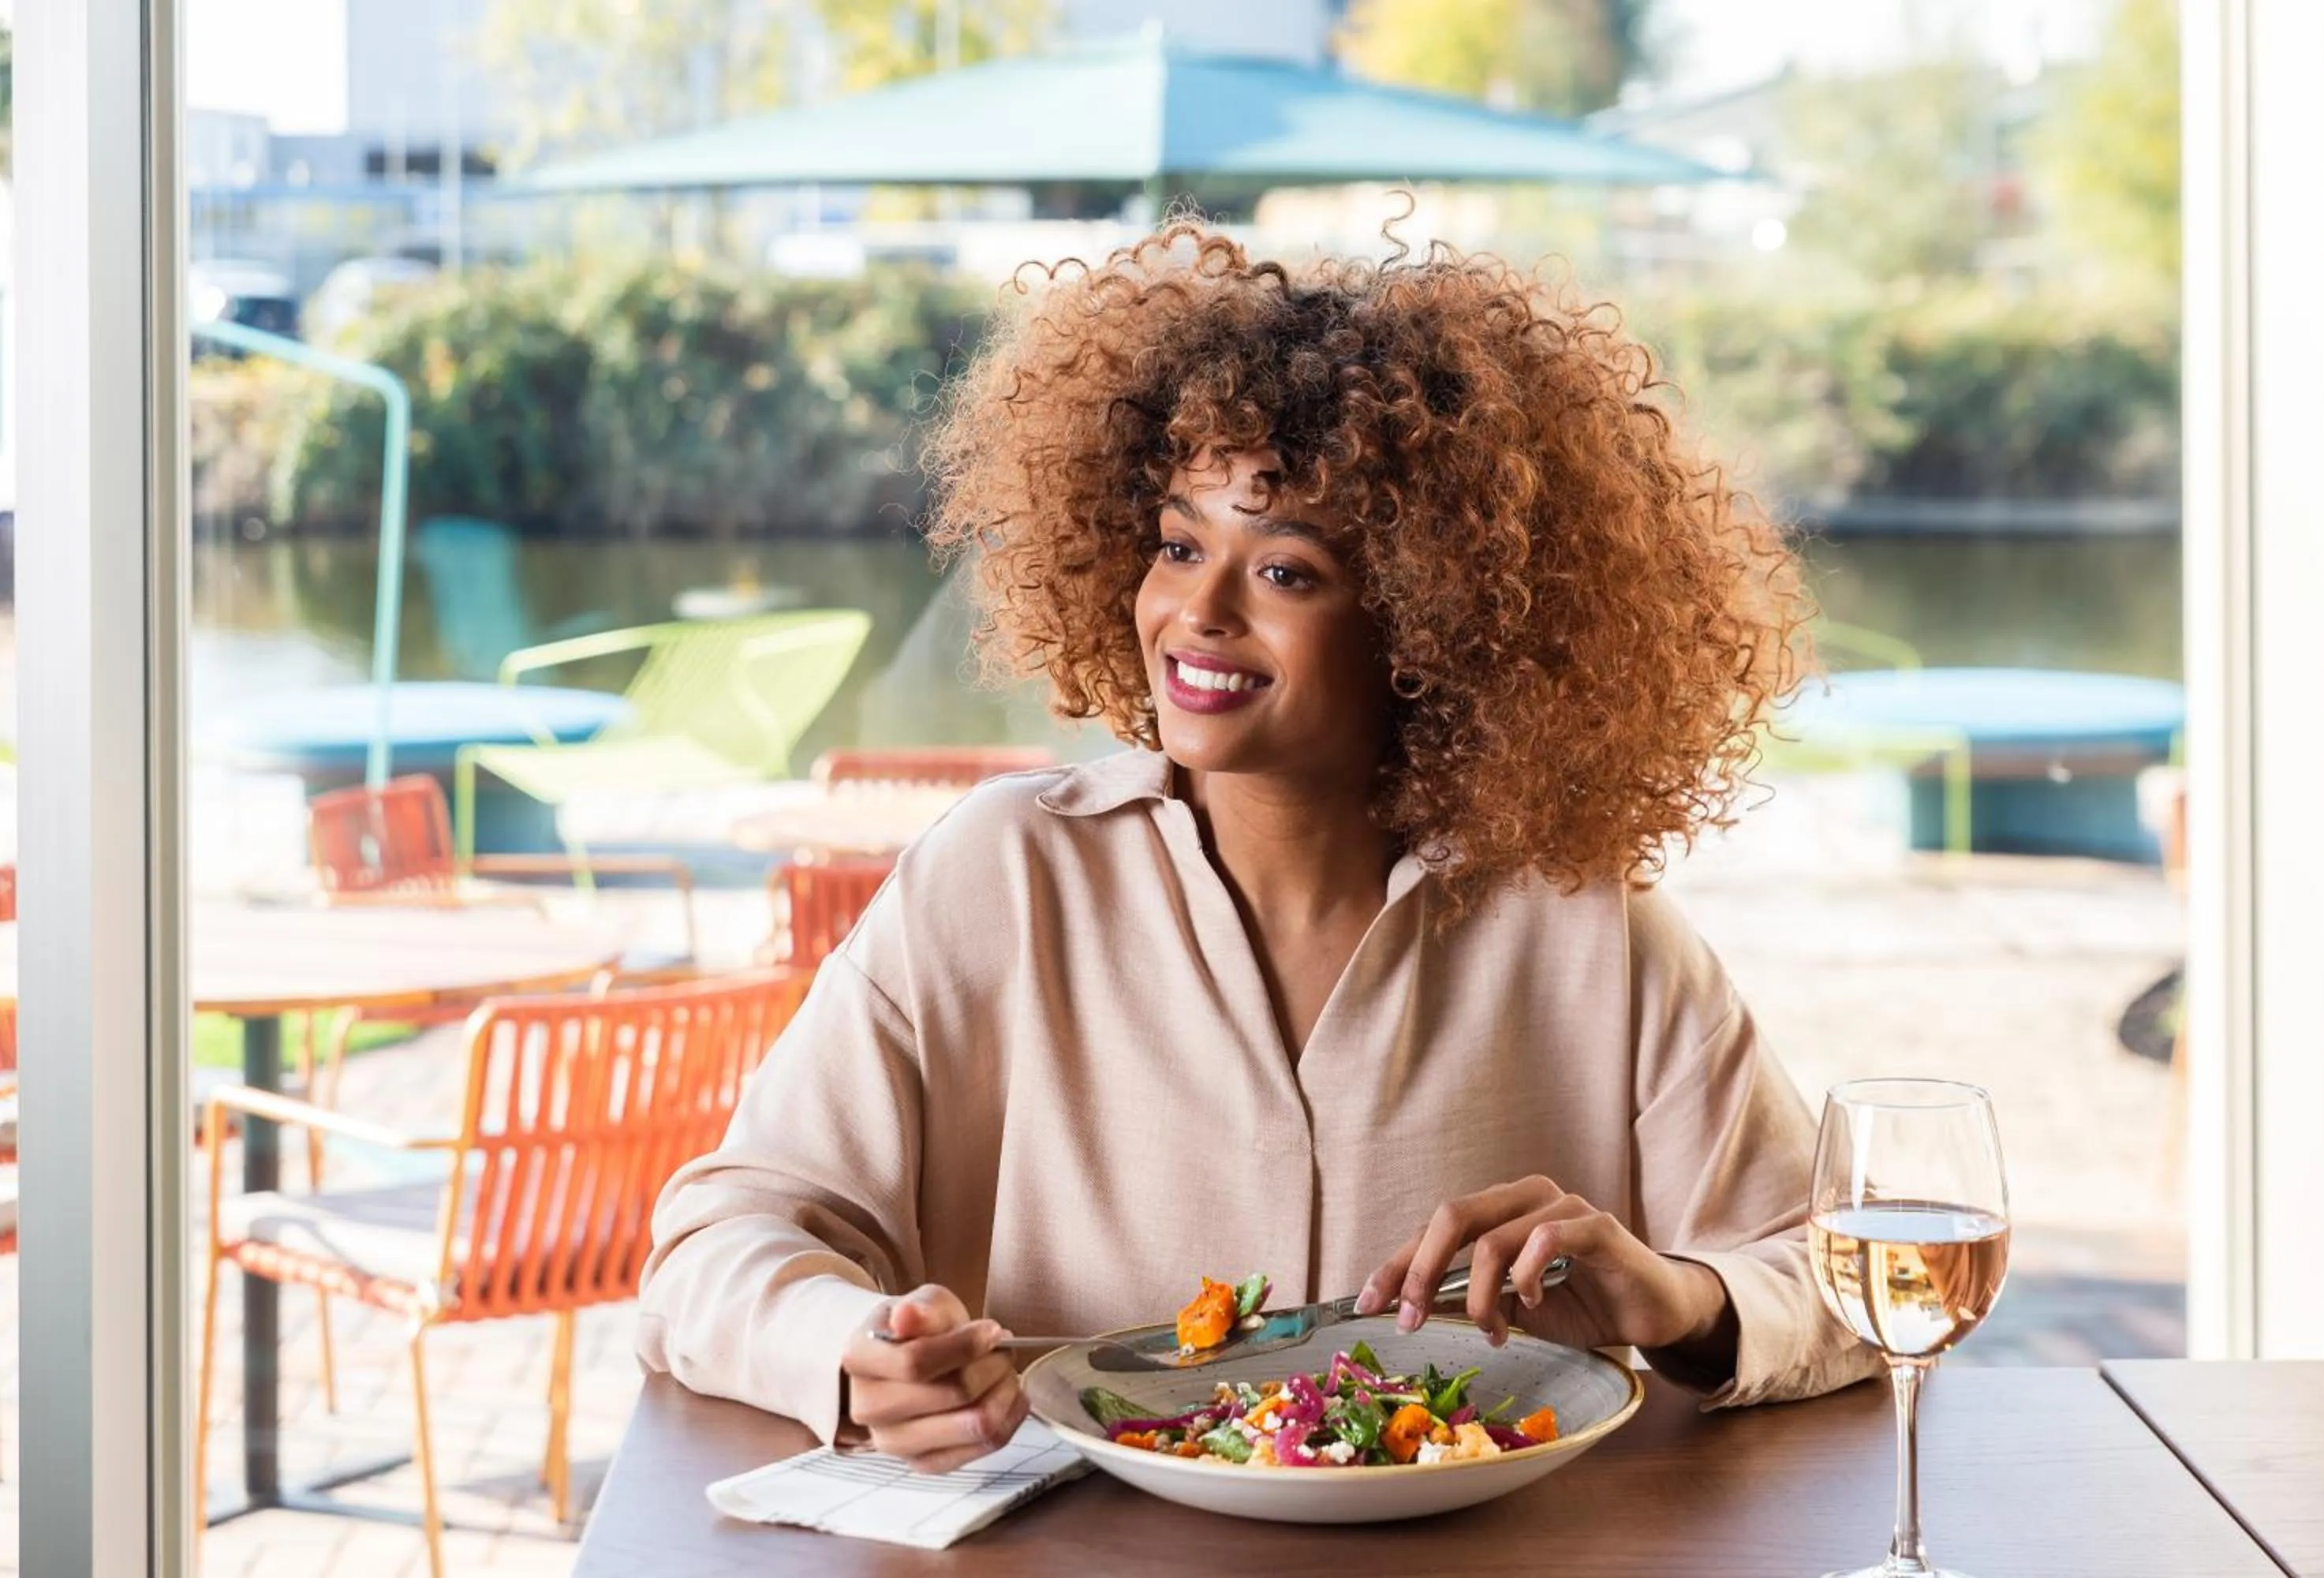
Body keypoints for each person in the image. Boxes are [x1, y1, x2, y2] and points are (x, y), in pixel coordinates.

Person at [637, 222, 1881, 1473]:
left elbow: (1841, 1282)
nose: (1197, 614)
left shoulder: (1585, 926)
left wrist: (1679, 1298)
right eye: (1180, 546)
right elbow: (717, 1242)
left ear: (1433, 625)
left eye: (1286, 571)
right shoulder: (1002, 877)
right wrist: (856, 1348)